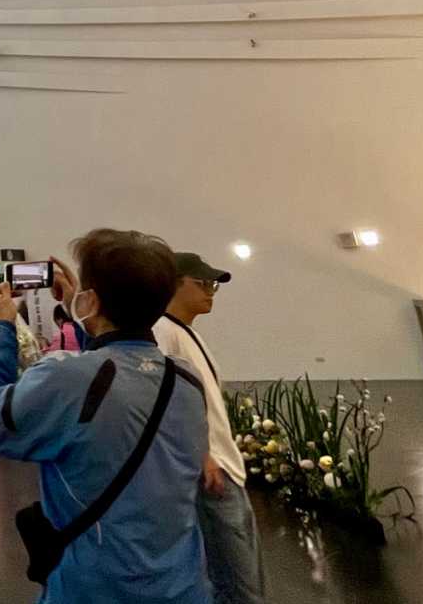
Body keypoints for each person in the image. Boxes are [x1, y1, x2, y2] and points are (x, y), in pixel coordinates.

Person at [0, 230, 211, 604]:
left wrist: (1, 327)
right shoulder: (186, 379)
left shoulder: (67, 377)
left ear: (91, 299)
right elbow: (115, 372)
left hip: (95, 588)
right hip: (182, 586)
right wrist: (86, 316)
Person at [156, 253, 262, 604]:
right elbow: (164, 403)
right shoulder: (162, 332)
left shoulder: (182, 333)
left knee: (245, 575)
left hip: (225, 468)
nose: (210, 291)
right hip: (210, 472)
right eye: (201, 283)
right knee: (236, 581)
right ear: (173, 284)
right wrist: (202, 456)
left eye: (212, 284)